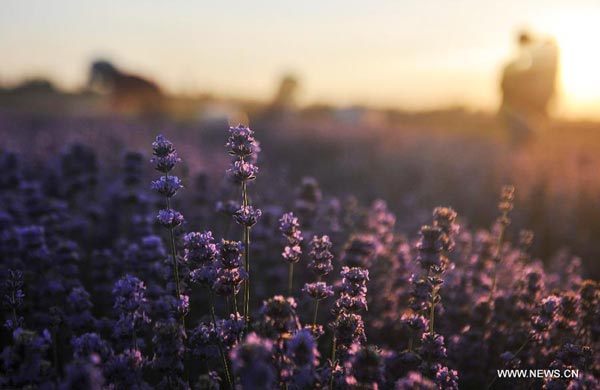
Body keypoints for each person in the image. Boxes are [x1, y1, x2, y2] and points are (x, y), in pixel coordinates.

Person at [499, 31, 559, 145]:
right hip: (519, 110)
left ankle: (527, 133)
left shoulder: (537, 66)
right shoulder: (517, 68)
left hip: (529, 107)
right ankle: (525, 133)